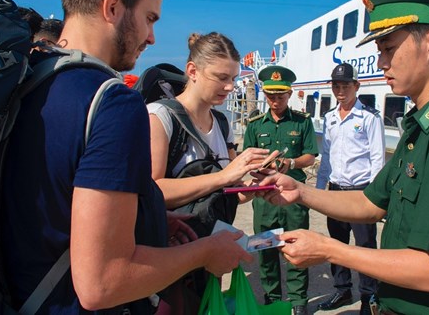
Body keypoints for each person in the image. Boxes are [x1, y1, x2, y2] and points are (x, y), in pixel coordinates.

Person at [0, 0, 252, 314]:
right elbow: (102, 283)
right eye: (150, 19)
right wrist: (204, 252)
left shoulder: (29, 78)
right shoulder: (113, 103)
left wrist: (146, 217)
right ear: (113, 7)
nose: (151, 37)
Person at [256, 0, 429, 315]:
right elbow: (372, 203)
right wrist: (301, 193)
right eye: (379, 50)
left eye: (389, 48)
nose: (381, 62)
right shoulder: (422, 128)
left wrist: (331, 250)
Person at [148, 31, 268, 214]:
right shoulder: (160, 117)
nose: (230, 87)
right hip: (173, 240)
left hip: (216, 235)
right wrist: (222, 176)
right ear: (192, 71)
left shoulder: (222, 122)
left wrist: (258, 185)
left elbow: (226, 192)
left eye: (233, 78)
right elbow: (151, 191)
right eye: (221, 77)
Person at [243, 65, 318, 315]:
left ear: (289, 94)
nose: (275, 101)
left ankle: (298, 302)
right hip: (264, 199)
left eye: (281, 96)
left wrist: (290, 163)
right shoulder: (254, 125)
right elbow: (247, 157)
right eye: (271, 96)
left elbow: (310, 156)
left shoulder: (302, 122)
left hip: (293, 198)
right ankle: (272, 299)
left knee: (297, 248)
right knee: (265, 251)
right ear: (265, 95)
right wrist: (260, 165)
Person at [315, 62, 385, 314]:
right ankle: (342, 290)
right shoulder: (329, 118)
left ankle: (369, 295)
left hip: (360, 192)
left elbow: (378, 158)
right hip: (335, 190)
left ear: (357, 86)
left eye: (346, 84)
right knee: (337, 242)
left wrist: (376, 197)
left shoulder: (369, 118)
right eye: (336, 85)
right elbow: (327, 156)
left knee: (365, 246)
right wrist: (320, 190)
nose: (340, 90)